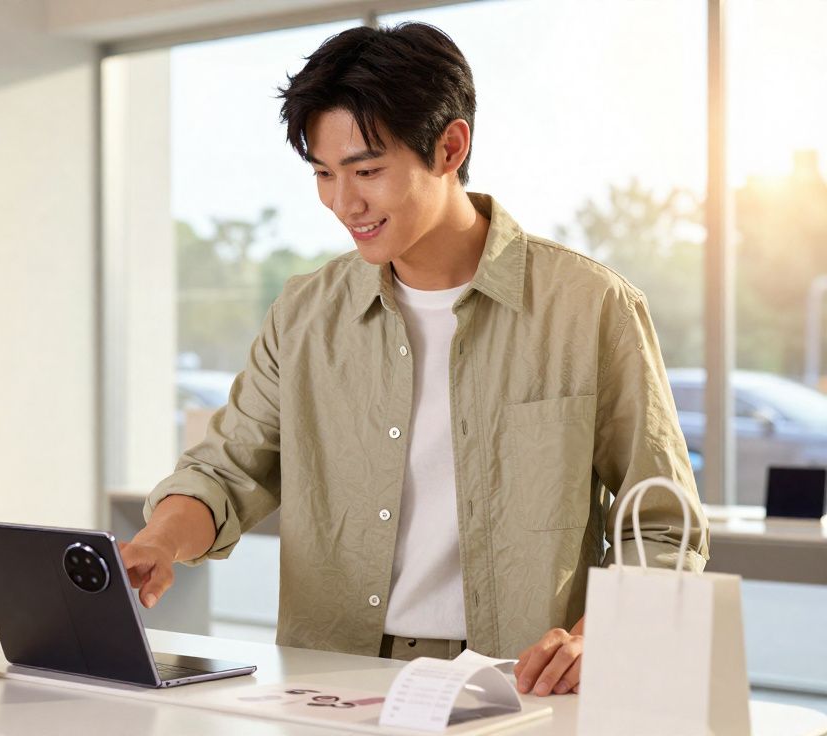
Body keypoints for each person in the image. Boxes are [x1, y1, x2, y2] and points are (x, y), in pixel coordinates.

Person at [120, 22, 708, 697]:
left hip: (519, 690)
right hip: (334, 682)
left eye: (367, 171)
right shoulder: (305, 313)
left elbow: (664, 525)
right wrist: (161, 541)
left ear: (450, 146)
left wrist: (595, 635)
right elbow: (225, 471)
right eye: (323, 174)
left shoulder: (589, 306)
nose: (344, 203)